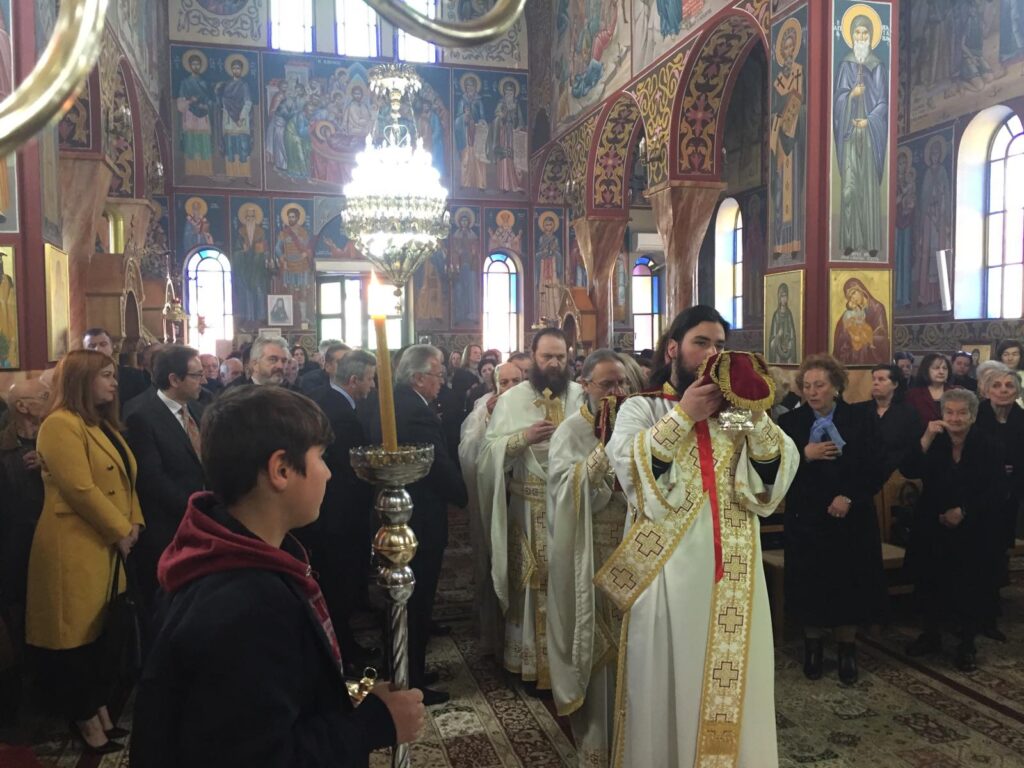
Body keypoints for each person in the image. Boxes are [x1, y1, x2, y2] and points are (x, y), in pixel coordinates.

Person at [129, 386, 424, 766]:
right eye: (321, 457)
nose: (329, 473)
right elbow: (260, 757)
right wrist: (374, 724)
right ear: (281, 470)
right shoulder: (247, 606)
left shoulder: (221, 552)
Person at [602, 306, 797, 767]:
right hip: (667, 571)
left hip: (734, 572)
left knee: (740, 683)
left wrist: (755, 412)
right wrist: (684, 415)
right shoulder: (644, 407)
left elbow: (775, 467)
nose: (712, 353)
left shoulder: (734, 417)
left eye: (720, 345)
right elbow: (630, 469)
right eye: (701, 343)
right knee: (668, 679)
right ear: (673, 349)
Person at [26, 350, 144, 753]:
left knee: (101, 635)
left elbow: (127, 479)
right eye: (106, 375)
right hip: (74, 545)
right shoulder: (59, 424)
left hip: (105, 543)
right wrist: (120, 530)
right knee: (75, 641)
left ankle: (101, 712)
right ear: (81, 380)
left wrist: (134, 522)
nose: (115, 382)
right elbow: (80, 489)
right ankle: (86, 721)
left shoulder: (99, 424)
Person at [478, 329, 584, 688]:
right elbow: (488, 454)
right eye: (546, 357)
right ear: (533, 358)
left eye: (560, 357)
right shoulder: (512, 400)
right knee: (530, 580)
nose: (554, 363)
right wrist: (523, 438)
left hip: (571, 504)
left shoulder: (580, 396)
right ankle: (532, 665)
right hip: (528, 506)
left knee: (569, 579)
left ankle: (567, 665)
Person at [368, 346, 468, 706]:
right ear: (418, 378)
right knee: (415, 599)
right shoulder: (416, 412)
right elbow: (436, 466)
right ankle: (410, 680)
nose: (442, 382)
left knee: (401, 598)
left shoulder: (392, 402)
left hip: (399, 514)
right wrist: (464, 494)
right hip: (417, 520)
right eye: (438, 375)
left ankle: (404, 669)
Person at [779, 354, 885, 685]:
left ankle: (846, 649)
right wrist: (803, 454)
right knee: (810, 581)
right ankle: (812, 646)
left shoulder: (861, 418)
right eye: (807, 386)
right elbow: (774, 468)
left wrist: (848, 496)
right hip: (807, 517)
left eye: (820, 385)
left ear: (836, 386)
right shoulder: (791, 423)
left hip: (851, 515)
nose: (813, 392)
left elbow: (875, 466)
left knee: (848, 582)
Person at [547, 350, 629, 768]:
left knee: (634, 645)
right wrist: (602, 455)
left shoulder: (635, 424)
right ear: (586, 385)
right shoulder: (571, 430)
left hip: (634, 550)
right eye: (607, 384)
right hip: (591, 552)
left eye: (622, 383)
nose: (617, 392)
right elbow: (563, 491)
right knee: (600, 647)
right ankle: (599, 739)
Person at [901, 389, 1006, 671]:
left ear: (972, 415)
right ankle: (930, 635)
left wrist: (963, 511)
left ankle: (967, 643)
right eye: (949, 412)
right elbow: (908, 469)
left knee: (969, 585)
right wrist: (926, 437)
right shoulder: (934, 441)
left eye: (962, 413)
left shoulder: (988, 444)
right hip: (932, 522)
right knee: (930, 581)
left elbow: (997, 490)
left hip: (974, 525)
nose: (955, 418)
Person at [305, 350, 378, 671]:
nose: (372, 386)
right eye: (370, 379)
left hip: (327, 511)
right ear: (354, 380)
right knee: (340, 583)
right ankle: (343, 652)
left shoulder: (322, 397)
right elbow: (351, 471)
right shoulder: (342, 414)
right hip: (340, 515)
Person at [122, 347, 207, 616]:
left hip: (199, 523)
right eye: (196, 375)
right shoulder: (141, 414)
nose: (204, 380)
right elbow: (152, 479)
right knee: (166, 607)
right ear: (174, 379)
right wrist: (195, 509)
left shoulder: (198, 408)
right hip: (166, 527)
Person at [459, 360, 524, 657]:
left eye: (516, 381)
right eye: (504, 382)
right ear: (495, 385)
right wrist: (487, 419)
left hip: (526, 497)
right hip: (496, 493)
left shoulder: (535, 404)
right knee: (495, 555)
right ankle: (496, 631)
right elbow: (469, 451)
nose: (510, 388)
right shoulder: (484, 406)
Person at [0, 379, 49, 722]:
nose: (51, 400)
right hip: (15, 547)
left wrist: (49, 466)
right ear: (22, 407)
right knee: (17, 619)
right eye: (44, 396)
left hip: (51, 539)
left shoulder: (54, 438)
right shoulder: (4, 447)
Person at [972, 365, 1024, 641]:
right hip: (976, 497)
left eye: (1009, 386)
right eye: (997, 385)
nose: (1003, 390)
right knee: (976, 554)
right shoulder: (976, 416)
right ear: (985, 390)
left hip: (1008, 498)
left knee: (996, 555)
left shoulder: (1021, 418)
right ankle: (969, 612)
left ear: (1017, 391)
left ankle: (989, 613)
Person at [855, 364, 921, 481]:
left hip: (895, 475)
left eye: (881, 379)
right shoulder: (860, 410)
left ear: (895, 384)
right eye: (874, 379)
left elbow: (911, 448)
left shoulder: (908, 413)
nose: (875, 383)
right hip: (862, 474)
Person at [83, 328, 151, 404]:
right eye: (91, 346)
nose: (97, 349)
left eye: (103, 344)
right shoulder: (80, 378)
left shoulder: (133, 376)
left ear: (112, 348)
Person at [905, 352, 953, 427]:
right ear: (926, 370)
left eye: (944, 368)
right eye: (936, 368)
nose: (941, 372)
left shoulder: (956, 392)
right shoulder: (913, 395)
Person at [995, 339, 1024, 407]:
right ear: (1000, 356)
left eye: (1015, 354)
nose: (1010, 358)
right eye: (1006, 354)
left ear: (1021, 356)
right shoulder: (993, 376)